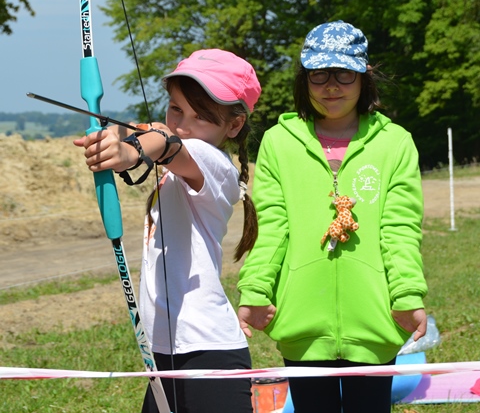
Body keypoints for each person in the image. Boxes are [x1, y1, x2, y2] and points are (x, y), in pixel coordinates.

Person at [237, 20, 428, 413]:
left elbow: (400, 228)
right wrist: (255, 291)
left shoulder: (395, 143)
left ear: (364, 76)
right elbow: (270, 227)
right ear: (304, 79)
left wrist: (407, 295)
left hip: (375, 324)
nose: (331, 86)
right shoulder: (278, 143)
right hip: (301, 325)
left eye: (344, 74)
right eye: (319, 74)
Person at [74, 49, 261, 413]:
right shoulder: (181, 158)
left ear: (234, 125)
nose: (183, 124)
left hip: (208, 355)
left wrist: (130, 153)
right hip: (166, 351)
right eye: (176, 108)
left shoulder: (213, 163)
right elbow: (152, 133)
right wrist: (113, 135)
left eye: (200, 116)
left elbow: (167, 143)